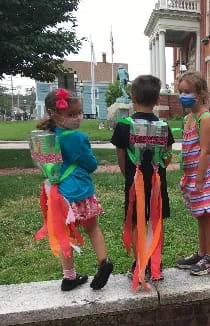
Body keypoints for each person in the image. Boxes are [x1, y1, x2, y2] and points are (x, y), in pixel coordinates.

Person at [36, 88, 113, 291]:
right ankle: (103, 262)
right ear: (55, 114)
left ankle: (69, 277)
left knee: (65, 235)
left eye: (79, 113)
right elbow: (90, 164)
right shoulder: (77, 137)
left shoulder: (47, 136)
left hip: (58, 194)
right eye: (71, 114)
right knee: (93, 228)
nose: (77, 118)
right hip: (80, 191)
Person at [111, 75, 174, 279]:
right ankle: (156, 262)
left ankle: (140, 262)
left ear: (132, 96)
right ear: (157, 100)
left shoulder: (123, 126)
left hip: (134, 181)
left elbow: (121, 157)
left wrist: (128, 174)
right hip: (158, 181)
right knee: (156, 220)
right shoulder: (164, 126)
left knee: (138, 221)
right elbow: (168, 156)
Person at [174, 72, 210, 275]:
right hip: (192, 173)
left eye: (188, 92)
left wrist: (199, 178)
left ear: (200, 93)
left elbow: (205, 151)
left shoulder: (205, 118)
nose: (183, 95)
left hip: (204, 174)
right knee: (199, 215)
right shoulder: (189, 117)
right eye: (181, 91)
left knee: (207, 214)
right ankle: (201, 252)